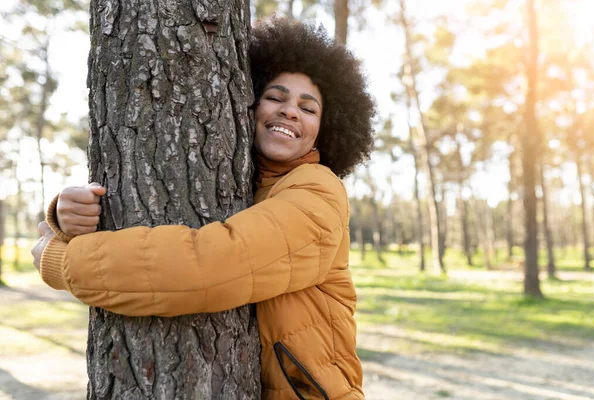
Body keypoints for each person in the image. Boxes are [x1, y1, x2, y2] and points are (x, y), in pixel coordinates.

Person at [32, 17, 374, 399]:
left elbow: (209, 265)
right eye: (275, 97)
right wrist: (67, 216)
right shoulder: (251, 187)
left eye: (308, 109)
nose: (290, 112)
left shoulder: (318, 192)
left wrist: (63, 260)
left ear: (327, 129)